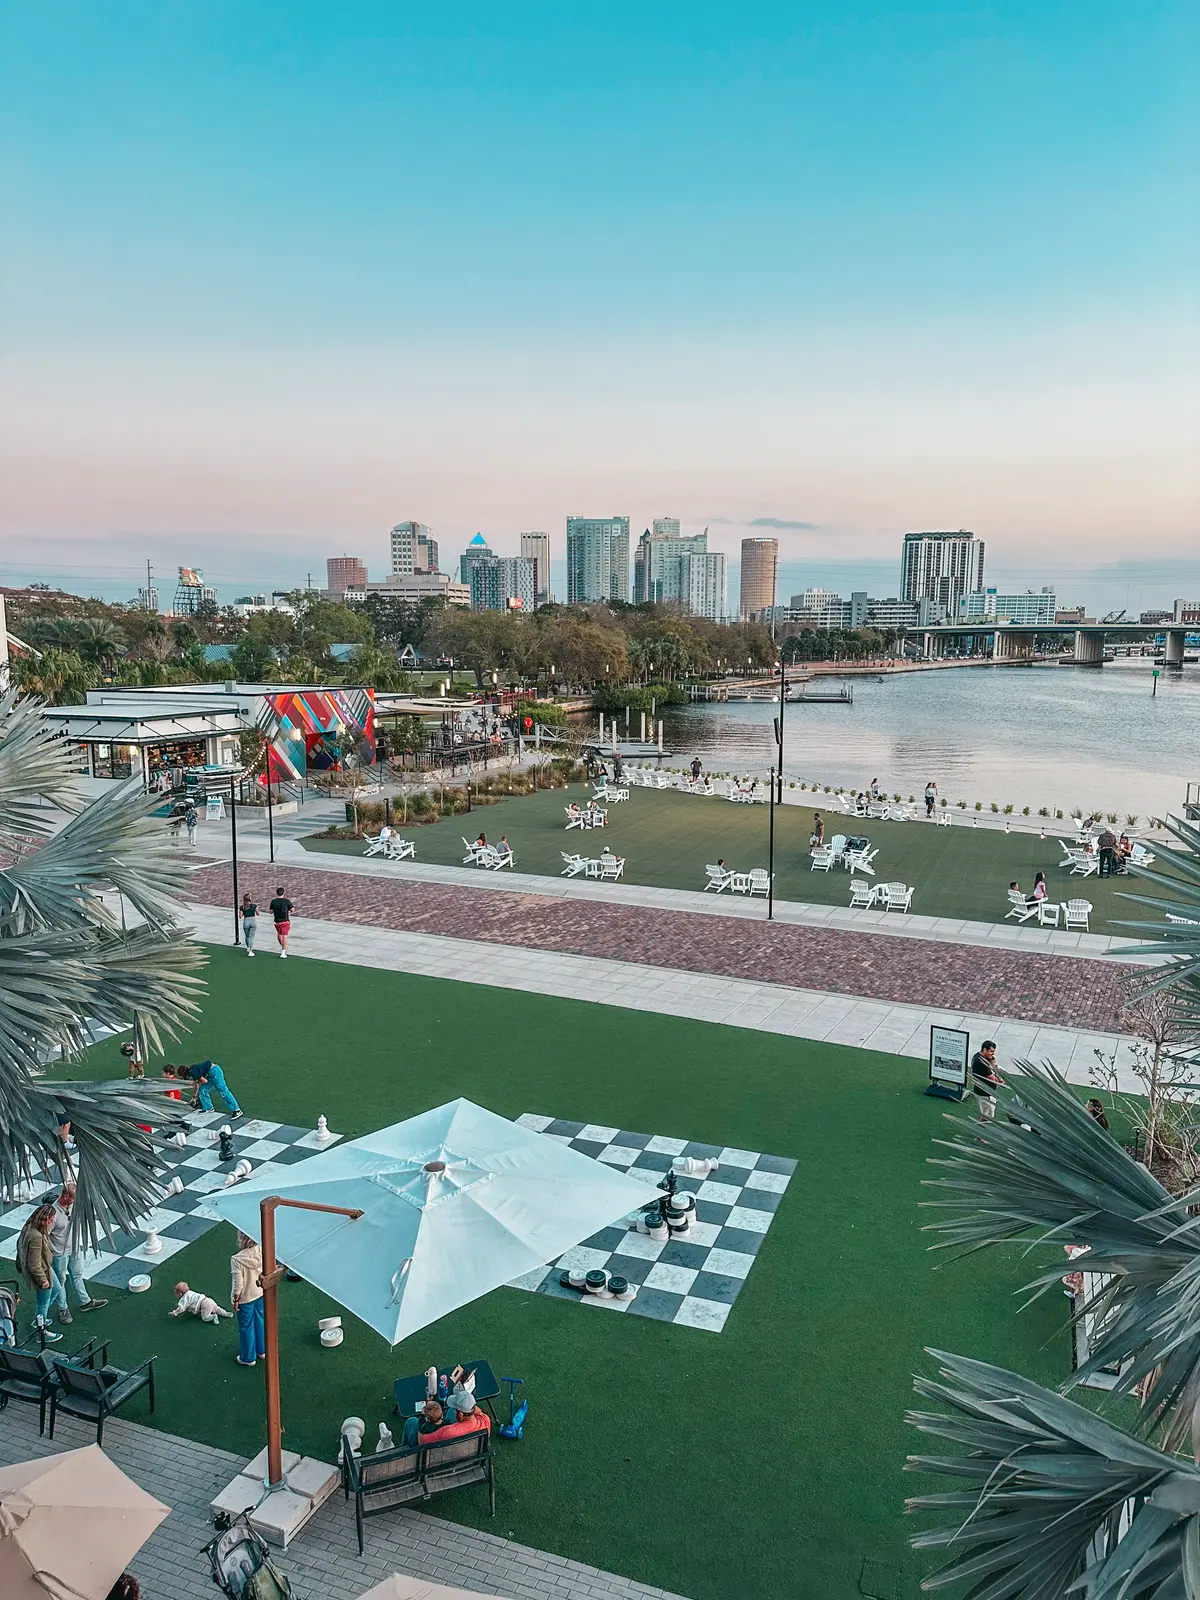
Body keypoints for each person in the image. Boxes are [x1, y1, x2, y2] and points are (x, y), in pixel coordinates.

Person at [48, 1186, 107, 1321]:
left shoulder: (72, 1206)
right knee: (60, 1281)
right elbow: (45, 1235)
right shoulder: (53, 1213)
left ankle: (85, 1302)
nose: (76, 1201)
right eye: (74, 1198)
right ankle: (63, 1309)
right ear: (66, 1197)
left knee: (77, 1275)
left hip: (74, 1248)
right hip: (59, 1254)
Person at [17, 1205, 62, 1341]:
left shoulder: (29, 1226)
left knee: (56, 1289)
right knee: (43, 1301)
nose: (51, 1222)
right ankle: (41, 1332)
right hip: (41, 1271)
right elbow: (34, 1263)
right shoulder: (36, 1236)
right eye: (51, 1220)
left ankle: (39, 1319)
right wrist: (43, 1280)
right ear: (45, 1219)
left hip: (45, 1267)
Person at [231, 1230, 265, 1366]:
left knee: (246, 1326)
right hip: (260, 1292)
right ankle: (262, 1350)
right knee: (260, 1321)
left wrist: (236, 1299)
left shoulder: (236, 1259)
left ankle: (248, 1357)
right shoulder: (261, 1249)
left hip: (246, 1298)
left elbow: (238, 1283)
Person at [970, 1039, 1005, 1120]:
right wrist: (1001, 1080)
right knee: (987, 1116)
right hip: (985, 1093)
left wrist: (993, 1062)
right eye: (991, 1051)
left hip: (983, 1091)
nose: (993, 1054)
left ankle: (980, 1123)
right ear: (985, 1049)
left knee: (984, 1113)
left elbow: (993, 1064)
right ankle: (980, 1127)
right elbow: (994, 1079)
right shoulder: (980, 1062)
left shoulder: (980, 1056)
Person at [268, 885, 294, 957]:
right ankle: (283, 952)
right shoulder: (287, 901)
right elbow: (292, 910)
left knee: (279, 934)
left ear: (277, 893)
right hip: (285, 921)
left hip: (277, 921)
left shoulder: (273, 902)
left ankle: (283, 946)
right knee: (284, 936)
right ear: (283, 893)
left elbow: (270, 911)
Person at [241, 892, 258, 956]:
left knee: (247, 936)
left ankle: (248, 947)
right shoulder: (254, 906)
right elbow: (258, 913)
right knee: (251, 937)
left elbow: (240, 916)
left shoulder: (242, 907)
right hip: (253, 921)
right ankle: (250, 951)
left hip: (246, 921)